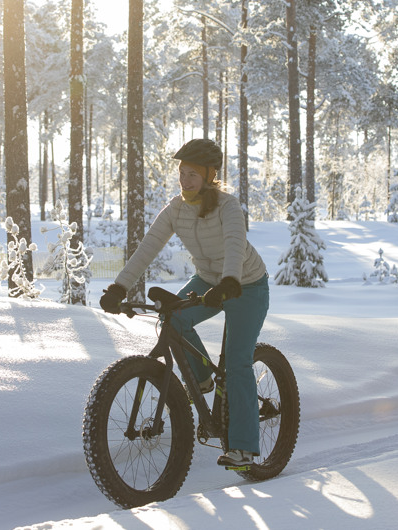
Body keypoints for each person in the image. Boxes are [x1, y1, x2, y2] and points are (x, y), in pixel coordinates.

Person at [99, 138, 270, 467]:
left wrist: (230, 281)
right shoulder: (176, 209)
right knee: (172, 318)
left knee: (237, 363)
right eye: (182, 173)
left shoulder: (228, 206)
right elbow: (148, 247)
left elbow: (235, 244)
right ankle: (202, 379)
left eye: (192, 174)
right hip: (208, 280)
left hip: (245, 284)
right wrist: (119, 288)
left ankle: (244, 448)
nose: (185, 180)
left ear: (209, 175)